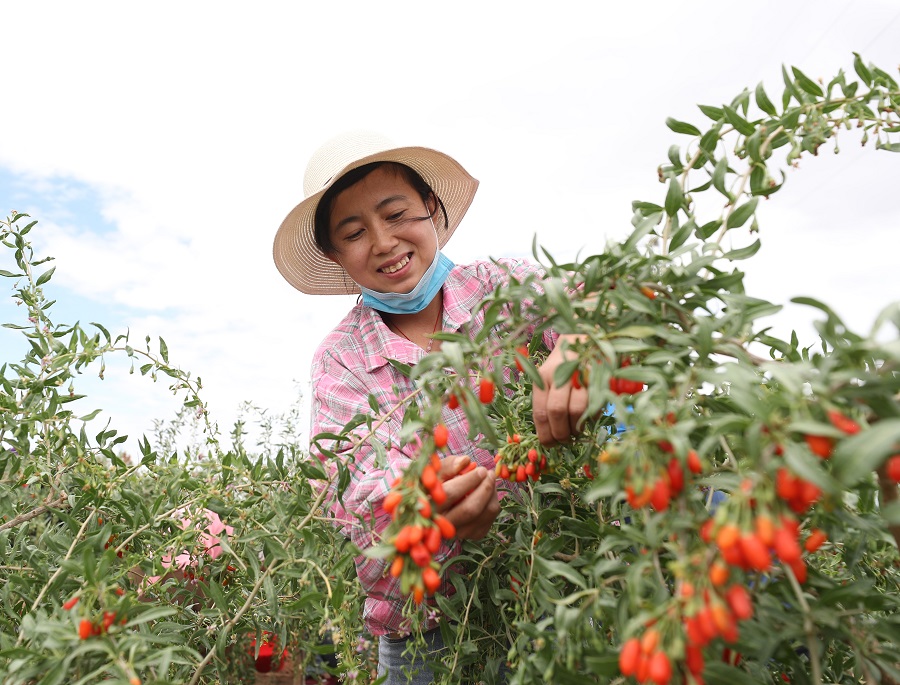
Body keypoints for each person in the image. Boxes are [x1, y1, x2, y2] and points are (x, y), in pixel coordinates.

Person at [273, 131, 587, 684]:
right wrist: (423, 501)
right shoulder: (341, 360)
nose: (383, 241)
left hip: (555, 580)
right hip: (432, 628)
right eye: (354, 233)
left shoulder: (505, 287)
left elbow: (596, 302)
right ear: (336, 256)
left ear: (433, 212)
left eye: (397, 214)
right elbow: (347, 483)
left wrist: (581, 346)